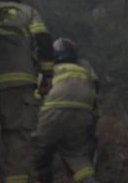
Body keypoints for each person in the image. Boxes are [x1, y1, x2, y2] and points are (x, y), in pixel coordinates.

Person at [0, 0, 54, 183]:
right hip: (19, 87)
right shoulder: (28, 12)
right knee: (17, 142)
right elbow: (43, 41)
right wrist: (47, 74)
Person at [33, 37, 99, 183]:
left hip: (52, 113)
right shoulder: (85, 70)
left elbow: (36, 94)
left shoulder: (49, 70)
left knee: (36, 153)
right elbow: (95, 94)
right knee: (78, 157)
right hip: (82, 114)